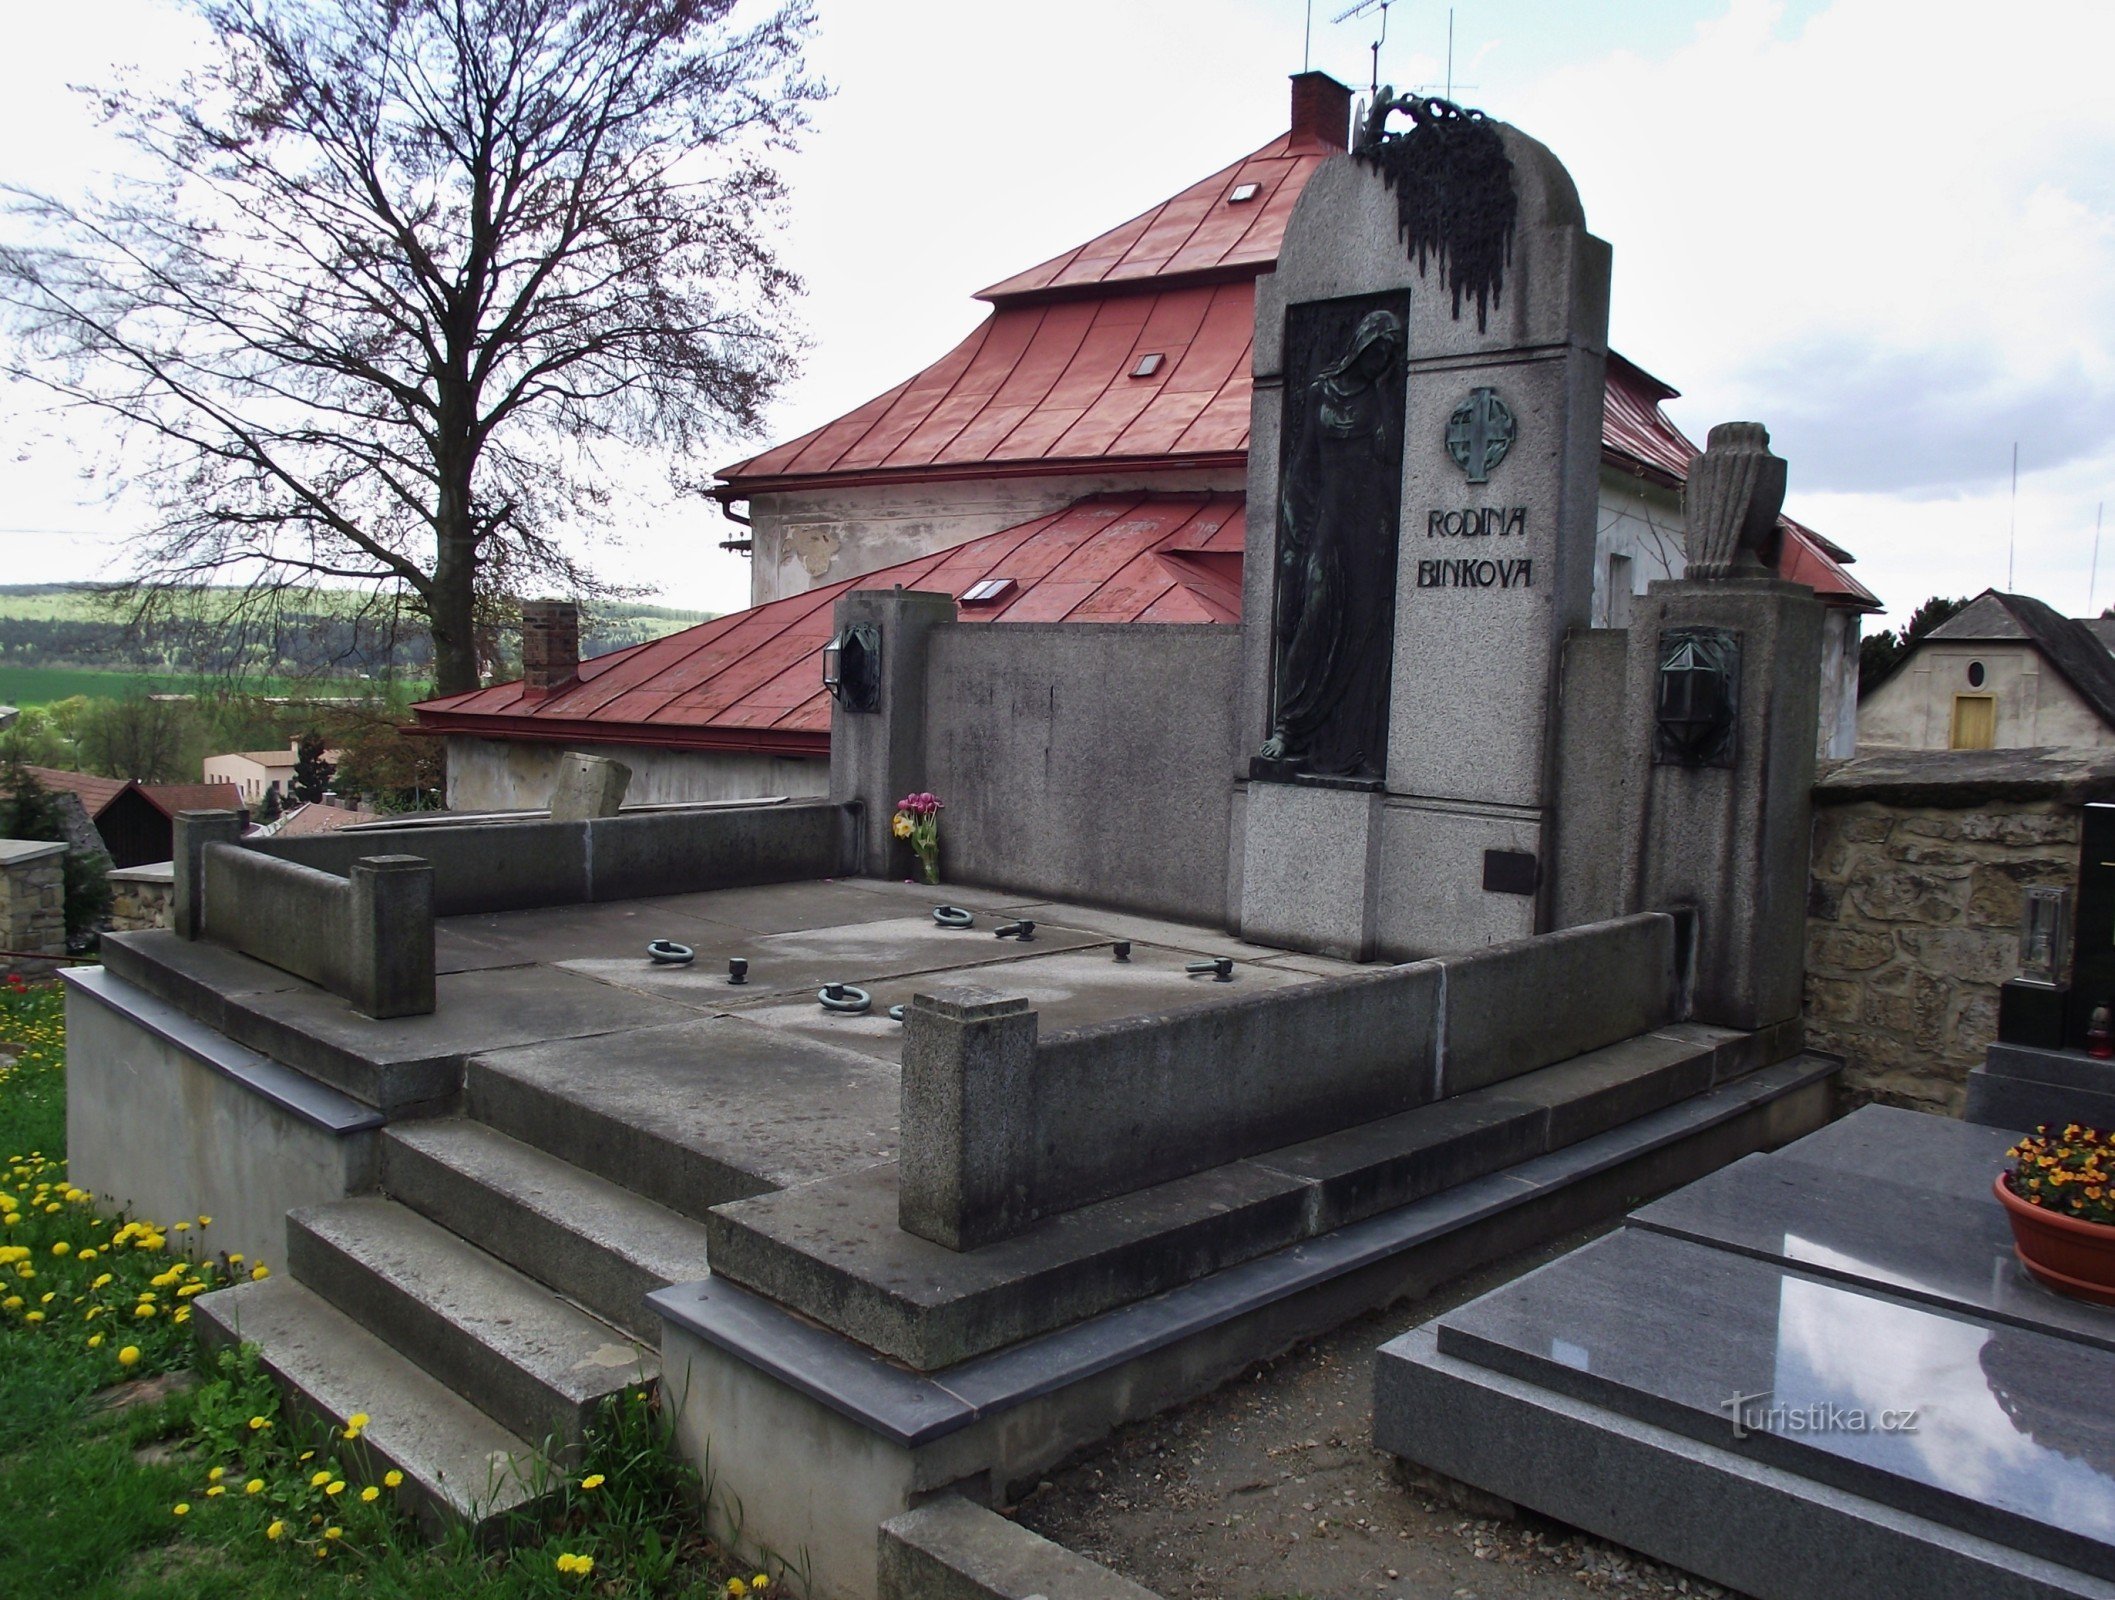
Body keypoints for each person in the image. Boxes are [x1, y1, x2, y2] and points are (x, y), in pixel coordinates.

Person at [1258, 307, 1405, 779]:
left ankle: (1350, 744)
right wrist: (1294, 532)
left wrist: (1385, 406)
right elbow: (1303, 463)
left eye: (1389, 353)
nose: (1381, 358)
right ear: (1360, 342)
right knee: (1316, 617)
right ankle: (1289, 726)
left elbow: (1393, 462)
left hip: (1373, 529)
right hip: (1330, 522)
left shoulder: (1384, 398)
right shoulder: (1320, 391)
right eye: (1377, 347)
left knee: (1361, 634)